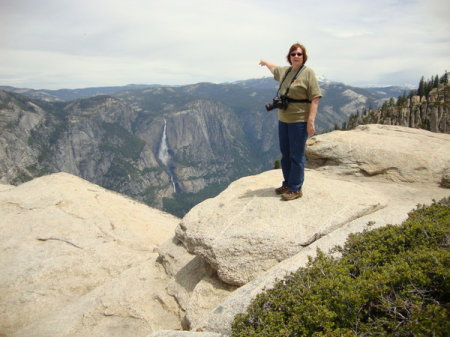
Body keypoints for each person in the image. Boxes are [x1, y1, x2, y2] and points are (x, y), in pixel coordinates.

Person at [259, 42, 322, 201]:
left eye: (299, 54)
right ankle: (287, 183)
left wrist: (310, 122)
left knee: (297, 155)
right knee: (286, 154)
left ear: (304, 57)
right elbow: (275, 69)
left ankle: (296, 188)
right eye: (293, 54)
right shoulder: (286, 71)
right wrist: (266, 62)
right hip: (284, 120)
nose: (296, 56)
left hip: (299, 120)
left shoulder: (308, 73)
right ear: (289, 57)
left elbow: (315, 98)